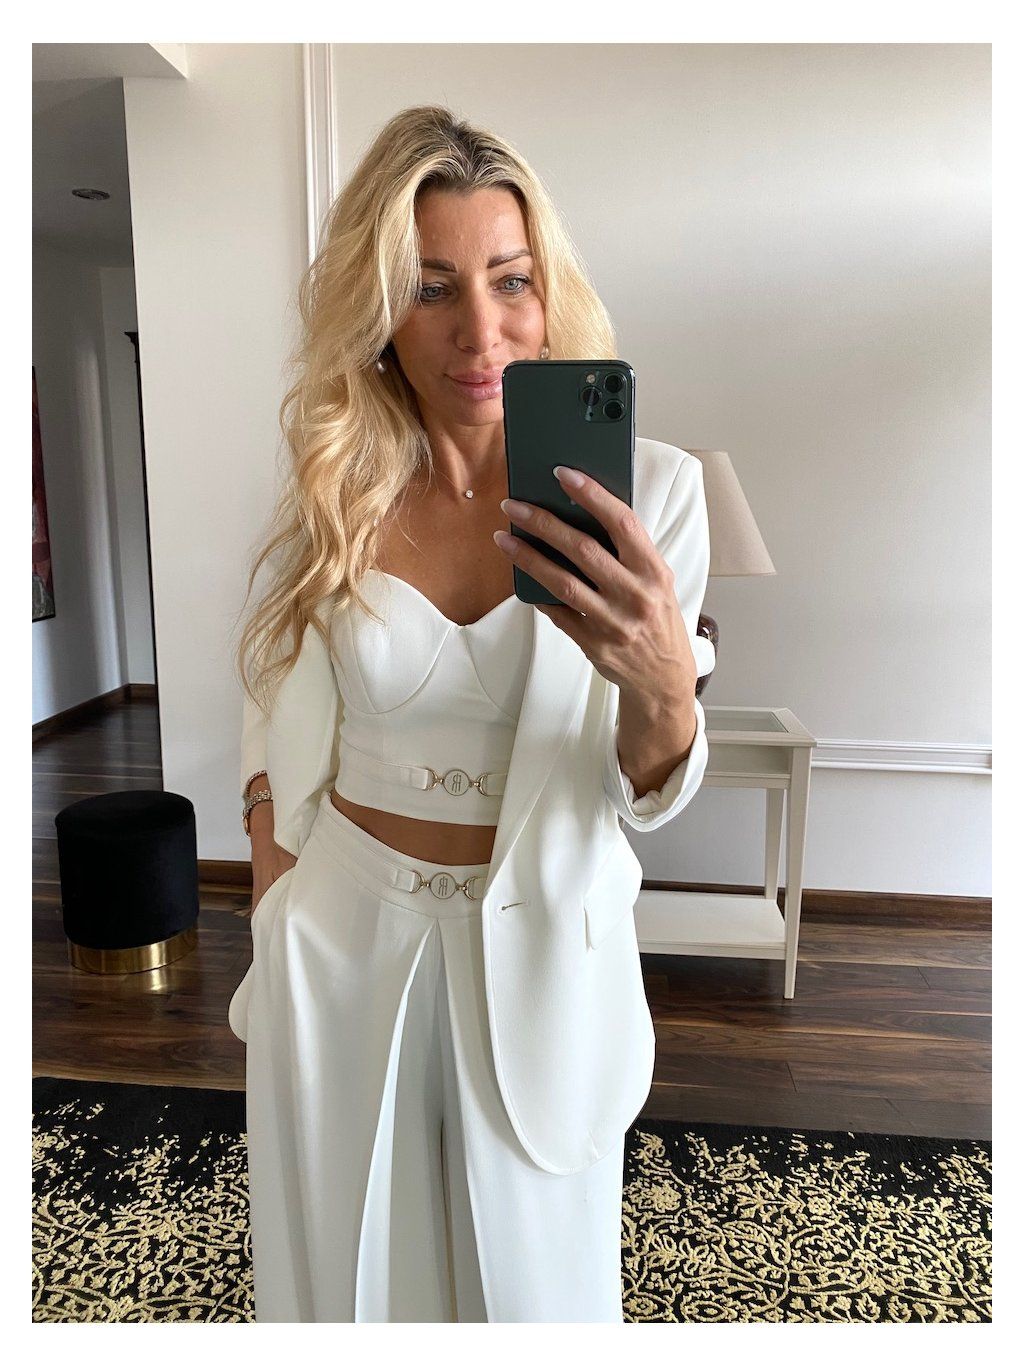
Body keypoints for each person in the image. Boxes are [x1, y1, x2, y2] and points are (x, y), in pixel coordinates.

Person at [228, 104, 715, 1323]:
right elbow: (273, 697)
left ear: (548, 289)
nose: (479, 332)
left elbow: (643, 790)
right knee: (349, 1290)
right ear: (379, 309)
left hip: (546, 957)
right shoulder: (336, 485)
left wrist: (663, 680)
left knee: (538, 1301)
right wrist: (272, 886)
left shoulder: (651, 494)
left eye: (510, 280)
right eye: (430, 287)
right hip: (340, 946)